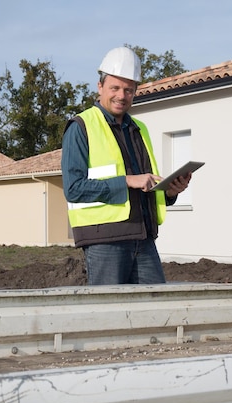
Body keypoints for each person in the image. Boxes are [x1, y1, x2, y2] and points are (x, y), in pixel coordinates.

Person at [61, 46, 192, 285]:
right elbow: (74, 188)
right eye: (115, 88)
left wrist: (170, 192)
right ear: (100, 87)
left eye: (129, 90)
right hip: (104, 240)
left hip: (143, 238)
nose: (122, 95)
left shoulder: (140, 129)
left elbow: (145, 186)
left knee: (155, 309)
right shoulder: (81, 126)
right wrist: (128, 181)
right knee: (109, 313)